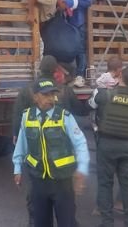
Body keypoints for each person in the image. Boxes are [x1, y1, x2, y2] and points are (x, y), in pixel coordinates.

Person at [12, 55, 81, 227]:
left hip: (37, 152)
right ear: (55, 70)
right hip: (61, 154)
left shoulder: (28, 90)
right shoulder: (64, 90)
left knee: (37, 196)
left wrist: (17, 138)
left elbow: (18, 116)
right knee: (65, 203)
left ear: (39, 68)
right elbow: (78, 110)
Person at [88, 65, 128, 227]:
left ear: (120, 75)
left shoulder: (105, 95)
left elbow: (91, 105)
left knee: (105, 184)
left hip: (107, 145)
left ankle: (107, 223)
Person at [54, 0, 92, 79]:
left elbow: (87, 2)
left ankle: (80, 75)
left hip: (77, 21)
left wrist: (72, 3)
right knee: (63, 45)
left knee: (79, 48)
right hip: (64, 19)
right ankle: (65, 74)